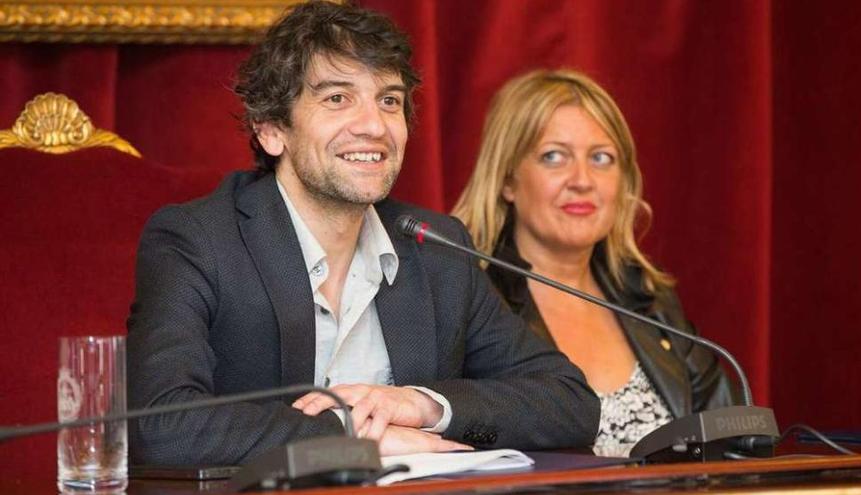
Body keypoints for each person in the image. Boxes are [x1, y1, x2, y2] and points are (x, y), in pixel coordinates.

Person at [127, 2, 598, 466]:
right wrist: (355, 437)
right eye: (337, 98)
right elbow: (160, 426)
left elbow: (570, 402)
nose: (374, 126)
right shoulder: (198, 241)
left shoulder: (436, 250)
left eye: (389, 100)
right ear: (272, 130)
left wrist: (423, 406)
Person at [452, 69, 738, 457]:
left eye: (602, 158)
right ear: (507, 180)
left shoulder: (652, 303)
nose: (582, 179)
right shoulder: (472, 305)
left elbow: (732, 446)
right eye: (554, 157)